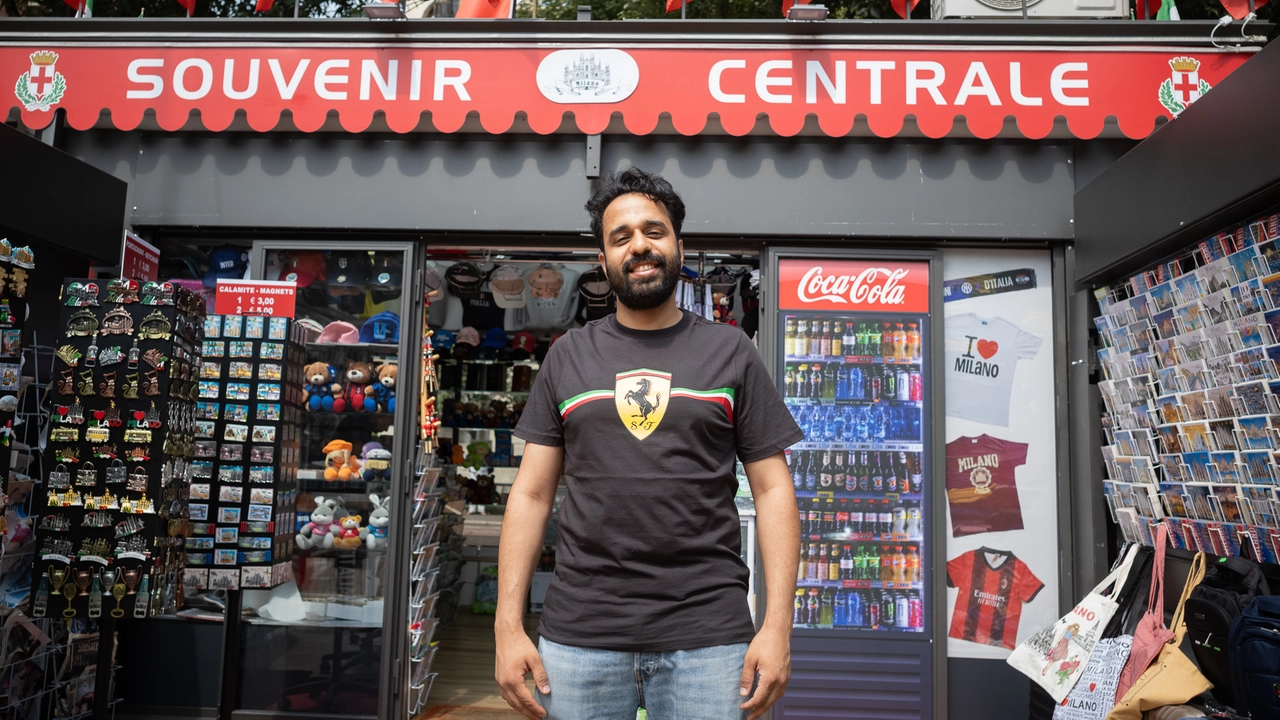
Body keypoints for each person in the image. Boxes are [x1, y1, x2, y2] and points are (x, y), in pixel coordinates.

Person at [494, 167, 803, 720]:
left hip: (709, 635)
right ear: (603, 260)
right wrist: (506, 627)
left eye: (654, 231)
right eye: (621, 237)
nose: (640, 245)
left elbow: (774, 489)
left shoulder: (731, 352)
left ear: (679, 245)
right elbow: (532, 495)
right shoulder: (567, 355)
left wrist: (777, 626)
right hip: (581, 635)